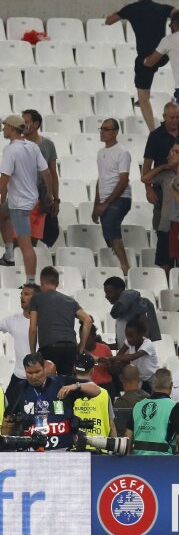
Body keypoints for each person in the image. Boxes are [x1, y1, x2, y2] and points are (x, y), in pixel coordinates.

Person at [104, 0, 176, 129]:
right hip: (162, 56)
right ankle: (144, 98)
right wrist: (174, 28)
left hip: (145, 58)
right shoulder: (162, 8)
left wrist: (122, 12)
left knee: (143, 96)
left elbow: (109, 21)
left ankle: (152, 130)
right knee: (149, 73)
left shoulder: (132, 8)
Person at [0, 114, 49, 283]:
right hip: (30, 198)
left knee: (24, 243)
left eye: (5, 126)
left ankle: (30, 282)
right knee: (3, 215)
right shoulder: (32, 146)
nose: (3, 129)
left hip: (19, 202)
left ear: (12, 129)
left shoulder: (10, 150)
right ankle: (8, 255)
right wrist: (49, 195)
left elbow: (4, 178)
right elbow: (46, 172)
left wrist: (1, 198)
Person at [28, 265, 92, 379]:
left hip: (49, 346)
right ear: (57, 283)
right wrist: (81, 347)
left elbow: (33, 328)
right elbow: (88, 320)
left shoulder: (36, 299)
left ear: (42, 282)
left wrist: (33, 352)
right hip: (70, 346)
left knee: (48, 382)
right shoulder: (70, 301)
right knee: (67, 383)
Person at [91, 118, 133, 274]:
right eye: (101, 128)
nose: (102, 132)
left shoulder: (122, 152)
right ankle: (119, 265)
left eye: (106, 129)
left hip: (120, 198)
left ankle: (125, 267)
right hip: (105, 198)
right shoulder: (101, 152)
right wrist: (96, 204)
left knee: (111, 228)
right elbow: (100, 179)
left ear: (115, 132)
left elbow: (123, 181)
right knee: (108, 232)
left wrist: (105, 203)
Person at [127, 368, 179, 455]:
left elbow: (128, 435)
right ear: (171, 385)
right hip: (163, 462)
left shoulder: (138, 406)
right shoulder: (174, 406)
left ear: (153, 385)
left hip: (138, 461)